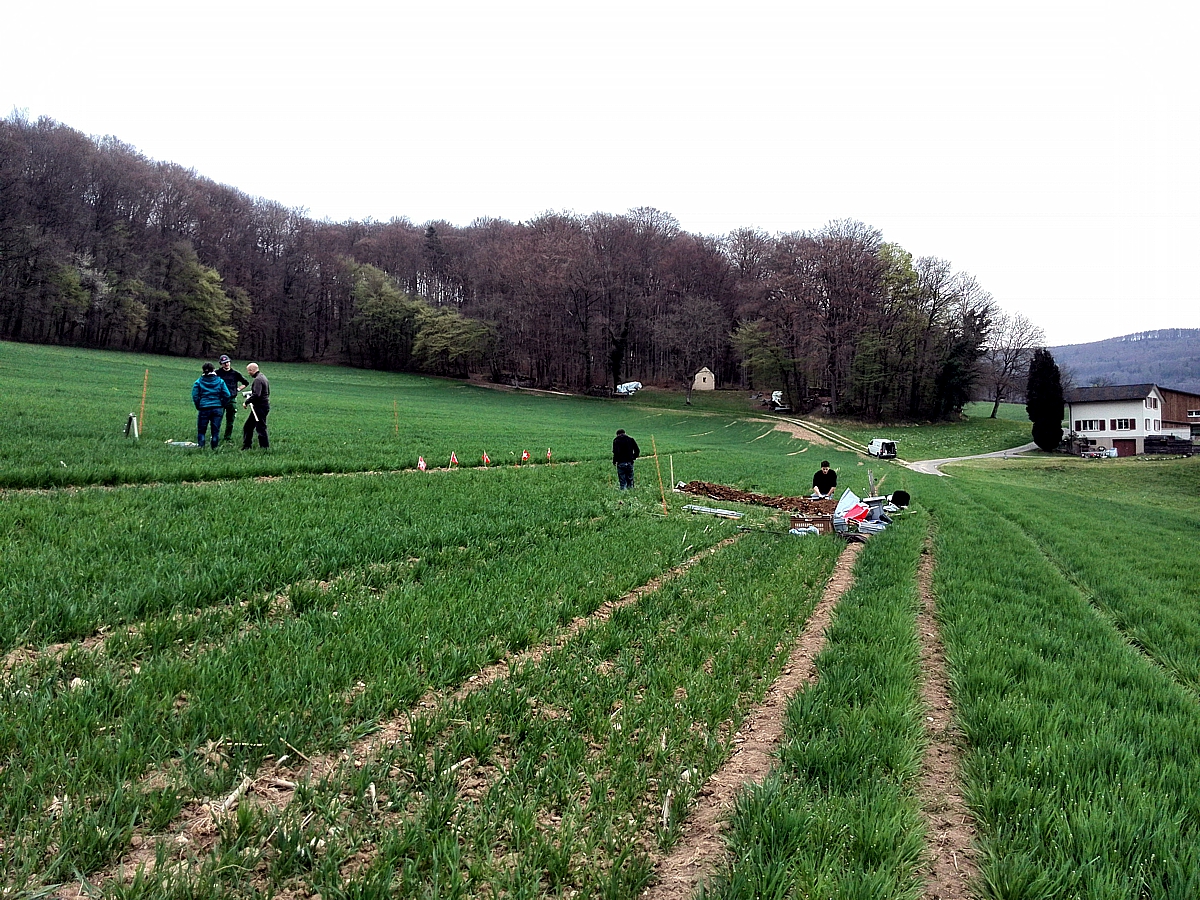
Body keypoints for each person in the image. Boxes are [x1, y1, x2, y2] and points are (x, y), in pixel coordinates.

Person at [191, 362, 231, 449]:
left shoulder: (198, 382)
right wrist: (222, 404)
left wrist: (199, 405)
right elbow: (227, 395)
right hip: (217, 408)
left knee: (201, 430)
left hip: (204, 408)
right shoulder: (220, 381)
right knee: (215, 431)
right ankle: (214, 448)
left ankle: (201, 447)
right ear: (213, 370)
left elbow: (195, 396)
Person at [215, 354, 249, 442]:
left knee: (230, 421)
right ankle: (215, 436)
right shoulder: (217, 373)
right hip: (220, 400)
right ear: (221, 364)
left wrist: (238, 389)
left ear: (230, 362)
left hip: (231, 400)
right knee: (217, 419)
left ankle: (227, 437)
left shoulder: (235, 374)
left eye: (227, 362)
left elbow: (245, 383)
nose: (226, 364)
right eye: (224, 363)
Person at [241, 362, 270, 449]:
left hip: (260, 407)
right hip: (263, 406)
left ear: (252, 370)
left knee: (260, 427)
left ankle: (264, 447)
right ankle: (247, 445)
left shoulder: (257, 380)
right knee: (249, 426)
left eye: (248, 371)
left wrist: (246, 401)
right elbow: (264, 392)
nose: (248, 373)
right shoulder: (263, 377)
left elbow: (257, 395)